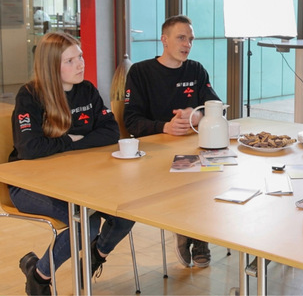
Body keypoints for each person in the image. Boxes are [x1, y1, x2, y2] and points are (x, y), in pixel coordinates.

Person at [9, 32, 134, 296]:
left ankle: (94, 256)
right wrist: (76, 139)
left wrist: (69, 141)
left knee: (126, 214)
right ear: (51, 66)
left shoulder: (86, 89)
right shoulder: (30, 95)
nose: (80, 64)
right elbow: (29, 148)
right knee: (86, 224)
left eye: (80, 56)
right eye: (70, 60)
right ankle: (40, 276)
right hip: (28, 185)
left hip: (77, 180)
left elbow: (111, 131)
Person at [124, 15, 220, 268]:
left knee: (218, 172)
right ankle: (188, 229)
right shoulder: (141, 72)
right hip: (157, 152)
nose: (187, 44)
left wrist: (197, 116)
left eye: (190, 39)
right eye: (181, 37)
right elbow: (131, 121)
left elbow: (216, 107)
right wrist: (164, 126)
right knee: (193, 174)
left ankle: (194, 232)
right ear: (164, 40)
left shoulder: (197, 70)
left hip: (193, 149)